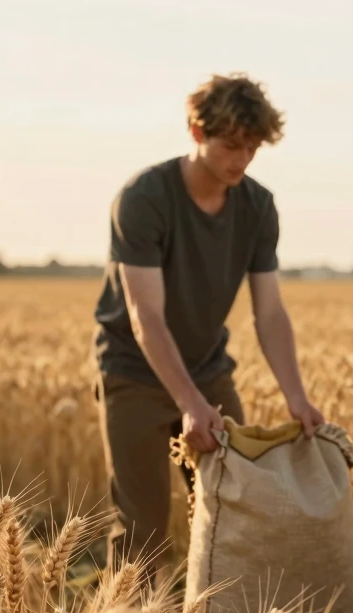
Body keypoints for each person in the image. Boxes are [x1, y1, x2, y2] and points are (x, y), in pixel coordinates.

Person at [90, 73, 326, 571]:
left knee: (237, 509)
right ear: (197, 133)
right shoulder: (144, 199)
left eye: (252, 148)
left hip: (209, 368)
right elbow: (145, 315)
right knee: (143, 527)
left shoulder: (259, 206)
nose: (241, 159)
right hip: (133, 372)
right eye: (231, 145)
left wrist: (296, 396)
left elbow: (270, 311)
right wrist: (190, 404)